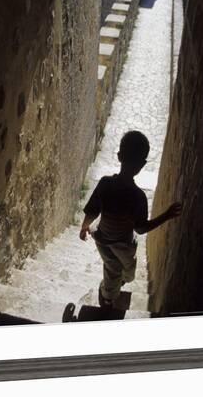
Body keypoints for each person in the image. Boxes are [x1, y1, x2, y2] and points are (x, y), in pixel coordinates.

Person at [79, 130, 181, 308]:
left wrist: (84, 226)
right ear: (142, 165)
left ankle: (112, 288)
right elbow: (140, 229)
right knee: (116, 272)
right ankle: (107, 296)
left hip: (109, 241)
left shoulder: (106, 184)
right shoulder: (138, 197)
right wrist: (166, 215)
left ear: (119, 156)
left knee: (123, 272)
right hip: (117, 244)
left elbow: (93, 210)